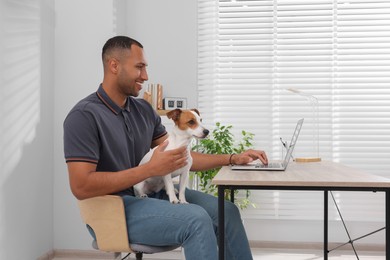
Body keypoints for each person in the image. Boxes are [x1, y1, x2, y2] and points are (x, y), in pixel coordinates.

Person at [63, 36, 268, 260]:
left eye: (146, 68)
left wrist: (232, 158)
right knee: (196, 219)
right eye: (139, 67)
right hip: (113, 208)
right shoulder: (84, 116)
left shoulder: (143, 109)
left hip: (153, 193)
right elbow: (81, 186)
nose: (146, 76)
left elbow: (178, 157)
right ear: (114, 65)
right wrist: (149, 169)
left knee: (226, 212)